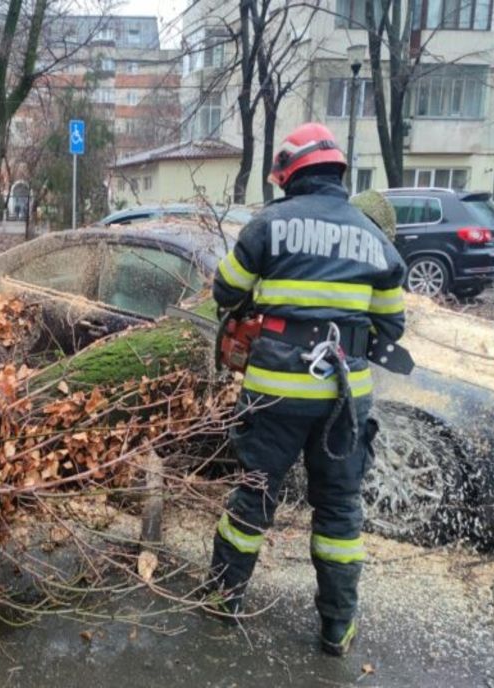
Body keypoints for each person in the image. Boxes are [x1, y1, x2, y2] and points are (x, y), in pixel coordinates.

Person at [204, 123, 407, 657]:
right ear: (337, 170)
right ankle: (337, 627)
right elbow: (392, 326)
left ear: (290, 172)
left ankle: (224, 600)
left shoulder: (268, 225)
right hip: (344, 397)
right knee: (340, 511)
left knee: (254, 495)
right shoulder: (374, 238)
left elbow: (224, 289)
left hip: (275, 393)